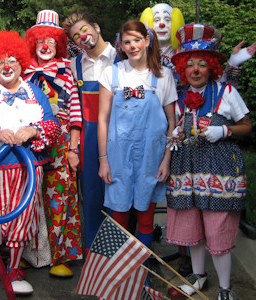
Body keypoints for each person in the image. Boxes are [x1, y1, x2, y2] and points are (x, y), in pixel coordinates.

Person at [0, 30, 60, 295]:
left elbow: (53, 125)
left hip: (28, 171)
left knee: (21, 220)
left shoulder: (35, 92)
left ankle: (14, 268)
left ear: (21, 63)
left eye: (13, 60)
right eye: (0, 61)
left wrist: (34, 130)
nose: (7, 66)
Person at [165, 23, 252, 300]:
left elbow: (247, 126)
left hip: (220, 170)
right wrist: (176, 134)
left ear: (212, 66)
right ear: (183, 69)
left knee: (218, 227)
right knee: (192, 226)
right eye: (190, 65)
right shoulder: (179, 97)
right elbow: (173, 130)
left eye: (202, 64)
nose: (196, 70)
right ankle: (198, 276)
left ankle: (225, 288)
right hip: (186, 169)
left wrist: (224, 130)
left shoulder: (226, 93)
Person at [97, 20, 176, 253]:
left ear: (147, 41)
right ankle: (120, 278)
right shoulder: (111, 74)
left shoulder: (163, 77)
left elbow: (172, 123)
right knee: (118, 216)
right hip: (118, 157)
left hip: (151, 158)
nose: (132, 46)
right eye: (126, 42)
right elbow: (102, 120)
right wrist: (103, 160)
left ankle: (142, 273)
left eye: (137, 40)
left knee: (146, 217)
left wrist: (166, 160)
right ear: (121, 44)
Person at [24, 9, 83, 277]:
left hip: (60, 142)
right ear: (33, 43)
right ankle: (31, 253)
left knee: (61, 196)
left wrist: (73, 148)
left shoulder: (66, 72)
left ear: (58, 44)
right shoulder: (22, 71)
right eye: (40, 40)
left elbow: (75, 114)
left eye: (50, 40)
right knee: (30, 197)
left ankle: (61, 255)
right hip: (30, 140)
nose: (45, 46)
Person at [62, 12, 118, 253]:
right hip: (89, 137)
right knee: (92, 197)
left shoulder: (123, 56)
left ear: (96, 27)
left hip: (120, 134)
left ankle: (123, 254)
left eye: (84, 29)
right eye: (76, 36)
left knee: (120, 196)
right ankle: (96, 255)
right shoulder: (74, 66)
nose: (82, 37)